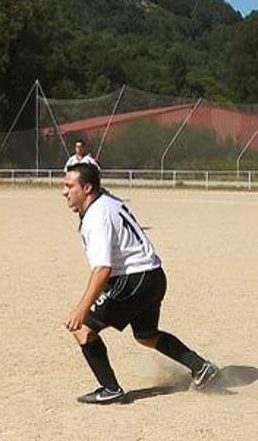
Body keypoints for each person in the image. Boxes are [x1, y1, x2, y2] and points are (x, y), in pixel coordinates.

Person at [61, 163, 218, 404]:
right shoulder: (106, 200)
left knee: (82, 328)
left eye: (70, 186)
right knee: (146, 336)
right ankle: (201, 367)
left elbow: (103, 269)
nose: (64, 191)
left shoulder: (97, 217)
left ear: (87, 188)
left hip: (133, 280)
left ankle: (109, 388)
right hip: (153, 276)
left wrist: (82, 310)